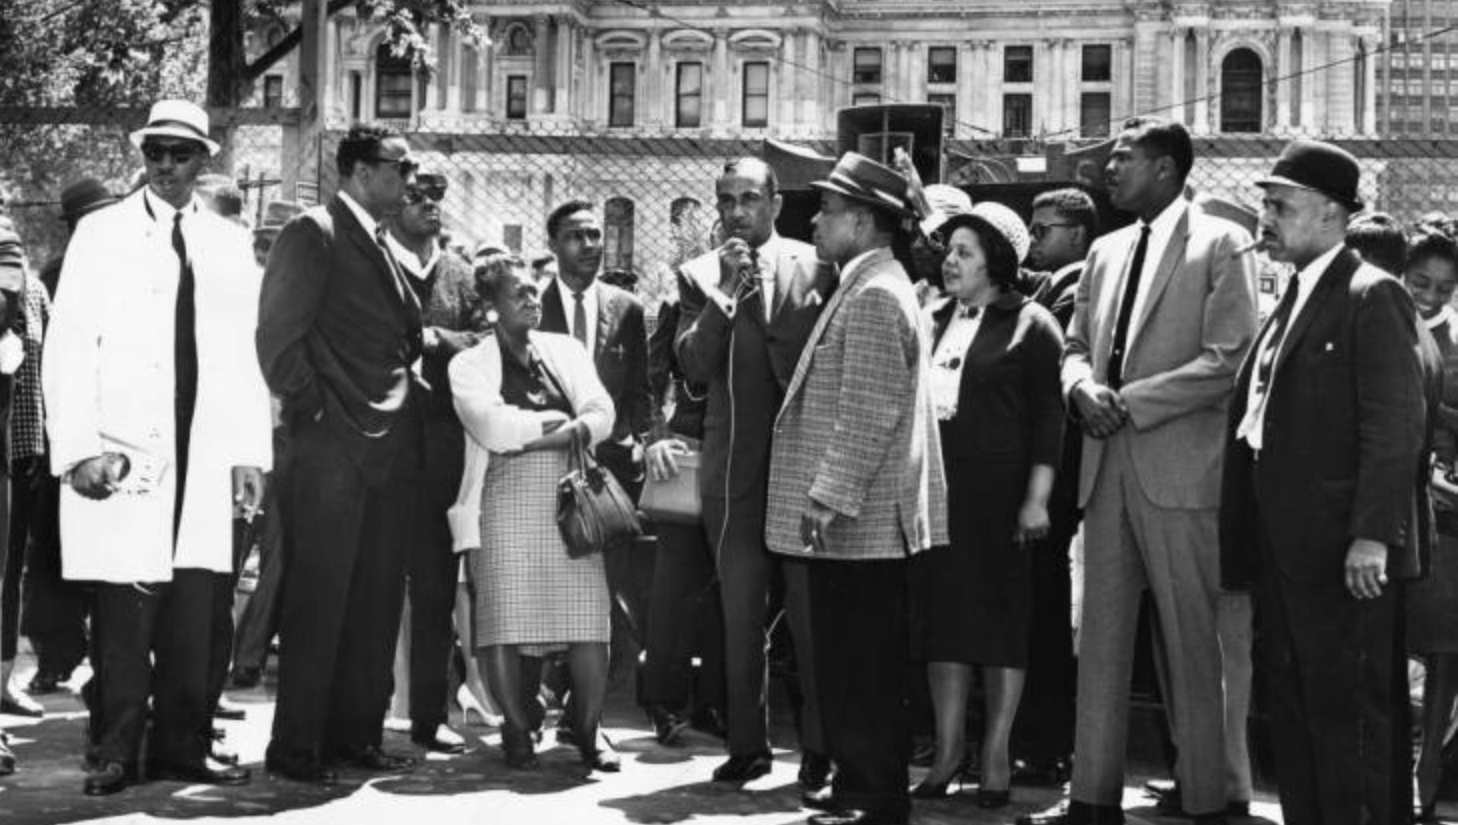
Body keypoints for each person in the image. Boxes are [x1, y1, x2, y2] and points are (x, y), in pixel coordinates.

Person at [1024, 117, 1258, 825]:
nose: (1110, 169)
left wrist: (1126, 401)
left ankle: (1208, 798)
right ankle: (1093, 797)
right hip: (1107, 467)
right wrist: (1077, 388)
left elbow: (1228, 357)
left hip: (1181, 471)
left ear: (1166, 168)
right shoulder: (1106, 251)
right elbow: (1076, 343)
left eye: (1124, 158)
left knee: (1192, 640)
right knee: (1100, 637)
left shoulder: (1223, 243)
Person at [42, 98, 269, 795]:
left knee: (197, 615)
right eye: (156, 153)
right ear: (142, 157)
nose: (167, 166)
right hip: (123, 454)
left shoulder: (228, 242)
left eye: (182, 153)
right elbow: (69, 347)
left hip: (202, 456)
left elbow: (242, 356)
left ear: (205, 159)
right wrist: (78, 449)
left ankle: (184, 746)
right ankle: (115, 750)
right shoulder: (102, 232)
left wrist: (250, 454)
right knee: (122, 613)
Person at [1219, 139, 1427, 825]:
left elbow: (1393, 429)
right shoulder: (1298, 295)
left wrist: (1371, 536)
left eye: (1281, 206)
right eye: (1266, 205)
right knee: (1297, 710)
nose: (1267, 219)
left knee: (1350, 720)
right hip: (1287, 556)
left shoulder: (1374, 295)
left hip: (1344, 558)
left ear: (1333, 213)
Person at [765, 152, 948, 825]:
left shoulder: (873, 292)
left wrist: (828, 495)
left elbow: (866, 410)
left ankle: (870, 798)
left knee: (862, 666)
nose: (816, 220)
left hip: (860, 521)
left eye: (830, 210)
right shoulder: (876, 282)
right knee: (857, 661)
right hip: (862, 520)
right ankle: (861, 791)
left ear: (866, 222)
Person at [257, 123, 424, 784]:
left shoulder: (384, 242)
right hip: (329, 450)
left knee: (375, 603)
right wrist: (318, 410)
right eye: (398, 166)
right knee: (319, 601)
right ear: (357, 169)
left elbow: (400, 337)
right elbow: (277, 339)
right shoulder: (313, 232)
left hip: (386, 454)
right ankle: (297, 748)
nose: (409, 179)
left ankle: (354, 736)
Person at [673, 157, 834, 788]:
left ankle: (821, 747)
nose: (736, 211)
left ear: (774, 202)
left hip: (802, 465)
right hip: (733, 463)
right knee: (740, 613)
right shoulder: (700, 274)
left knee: (810, 612)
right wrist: (723, 293)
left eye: (748, 198)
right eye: (726, 200)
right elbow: (692, 364)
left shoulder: (819, 263)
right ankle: (748, 744)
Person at [912, 201, 1063, 810]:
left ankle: (996, 752)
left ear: (996, 262)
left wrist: (1037, 500)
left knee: (1000, 626)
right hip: (937, 497)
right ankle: (949, 752)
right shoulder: (934, 315)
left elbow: (1050, 425)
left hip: (1001, 501)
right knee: (943, 623)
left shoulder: (1032, 325)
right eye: (949, 251)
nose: (950, 261)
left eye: (964, 253)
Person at [449, 252, 619, 773]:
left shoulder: (564, 350)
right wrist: (562, 424)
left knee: (589, 621)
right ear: (491, 306)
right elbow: (492, 431)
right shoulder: (468, 364)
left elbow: (603, 412)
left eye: (534, 289)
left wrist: (542, 432)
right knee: (503, 621)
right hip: (500, 500)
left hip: (572, 498)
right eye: (518, 292)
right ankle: (516, 730)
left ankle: (588, 733)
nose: (531, 298)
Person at [536, 199, 651, 728]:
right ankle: (541, 700)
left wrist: (639, 444)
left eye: (594, 235)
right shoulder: (533, 305)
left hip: (607, 478)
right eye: (576, 236)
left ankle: (588, 716)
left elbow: (640, 394)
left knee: (604, 595)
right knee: (549, 591)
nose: (590, 245)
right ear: (554, 244)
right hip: (546, 470)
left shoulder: (625, 308)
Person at [384, 171, 486, 754]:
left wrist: (433, 340)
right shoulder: (375, 263)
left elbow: (484, 340)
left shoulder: (459, 274)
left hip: (443, 453)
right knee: (370, 587)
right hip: (380, 448)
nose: (429, 208)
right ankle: (359, 709)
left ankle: (430, 713)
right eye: (417, 198)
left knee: (435, 590)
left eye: (437, 200)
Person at [1016, 187, 1096, 785]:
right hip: (1044, 473)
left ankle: (1047, 743)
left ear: (1076, 234)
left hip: (1057, 476)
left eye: (1044, 230)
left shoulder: (1074, 287)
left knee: (1043, 612)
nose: (1034, 240)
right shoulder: (1050, 285)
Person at [638, 282, 726, 747]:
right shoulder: (681, 302)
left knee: (729, 590)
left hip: (739, 459)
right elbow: (650, 378)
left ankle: (717, 704)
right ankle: (664, 702)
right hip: (686, 457)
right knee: (673, 587)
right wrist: (654, 436)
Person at [1399, 228, 1458, 821]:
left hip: (1443, 516)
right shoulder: (1382, 325)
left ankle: (1428, 771)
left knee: (1445, 653)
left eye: (1445, 288)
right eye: (1421, 283)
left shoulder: (1454, 342)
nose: (1433, 296)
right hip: (1391, 512)